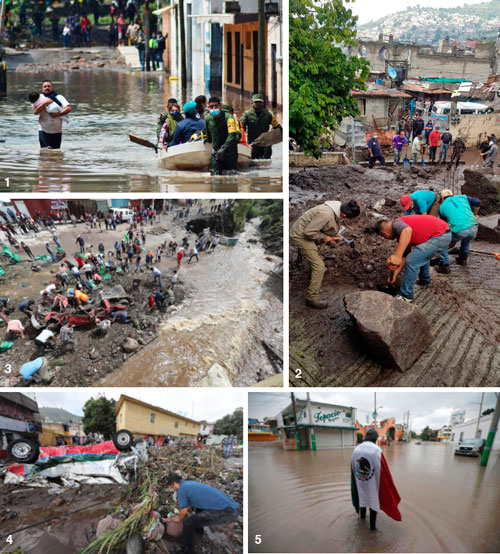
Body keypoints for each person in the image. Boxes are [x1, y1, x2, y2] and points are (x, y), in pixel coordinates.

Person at [290, 200, 361, 309]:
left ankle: (312, 280)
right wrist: (325, 238)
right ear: (344, 214)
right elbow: (309, 233)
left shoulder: (336, 208)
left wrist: (337, 235)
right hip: (300, 235)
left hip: (306, 231)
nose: (345, 219)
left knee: (315, 260)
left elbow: (328, 226)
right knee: (319, 266)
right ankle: (311, 299)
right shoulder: (326, 214)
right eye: (346, 217)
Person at [375, 215, 452, 301]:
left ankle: (406, 296)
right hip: (443, 233)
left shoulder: (396, 224)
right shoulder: (401, 233)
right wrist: (395, 275)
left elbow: (407, 230)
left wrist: (397, 256)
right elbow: (404, 257)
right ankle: (424, 280)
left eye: (384, 237)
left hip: (440, 236)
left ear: (384, 234)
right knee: (420, 255)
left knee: (411, 261)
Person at [166, 474, 239, 554]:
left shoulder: (181, 490)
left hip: (225, 511)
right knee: (198, 509)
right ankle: (198, 531)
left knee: (187, 522)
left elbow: (184, 511)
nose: (173, 489)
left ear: (174, 484)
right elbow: (190, 504)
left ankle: (188, 551)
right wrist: (183, 511)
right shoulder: (188, 484)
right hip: (230, 506)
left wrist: (178, 518)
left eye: (171, 487)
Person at [351, 428, 402, 531]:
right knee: (373, 501)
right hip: (373, 483)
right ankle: (372, 528)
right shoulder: (376, 450)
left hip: (360, 481)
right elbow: (384, 470)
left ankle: (362, 519)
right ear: (375, 439)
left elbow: (352, 468)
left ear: (365, 438)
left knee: (362, 497)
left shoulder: (356, 449)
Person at [437, 190, 480, 270]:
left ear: (442, 198)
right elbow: (477, 202)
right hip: (474, 227)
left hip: (460, 230)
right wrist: (475, 215)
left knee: (443, 241)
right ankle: (463, 259)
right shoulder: (462, 197)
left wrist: (451, 241)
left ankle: (444, 264)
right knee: (466, 240)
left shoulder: (442, 207)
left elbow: (444, 226)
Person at [205, 96, 241, 175]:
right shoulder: (208, 120)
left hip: (230, 153)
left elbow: (232, 135)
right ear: (208, 108)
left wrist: (224, 148)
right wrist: (206, 140)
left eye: (216, 106)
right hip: (216, 153)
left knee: (231, 176)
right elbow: (209, 138)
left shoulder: (229, 118)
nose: (214, 108)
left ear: (220, 106)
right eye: (211, 107)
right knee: (214, 175)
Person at [32, 80, 71, 149]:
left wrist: (57, 114)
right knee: (45, 153)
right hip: (43, 131)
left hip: (57, 132)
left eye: (49, 86)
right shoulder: (39, 99)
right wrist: (45, 103)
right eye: (45, 86)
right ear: (42, 88)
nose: (47, 88)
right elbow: (35, 112)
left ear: (52, 87)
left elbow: (68, 109)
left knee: (56, 154)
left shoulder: (59, 97)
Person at [240, 94, 281, 159]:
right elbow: (241, 129)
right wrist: (243, 144)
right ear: (252, 103)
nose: (258, 104)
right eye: (256, 102)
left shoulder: (269, 114)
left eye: (260, 102)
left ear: (262, 103)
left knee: (265, 164)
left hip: (266, 147)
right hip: (252, 146)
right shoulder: (246, 115)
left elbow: (278, 128)